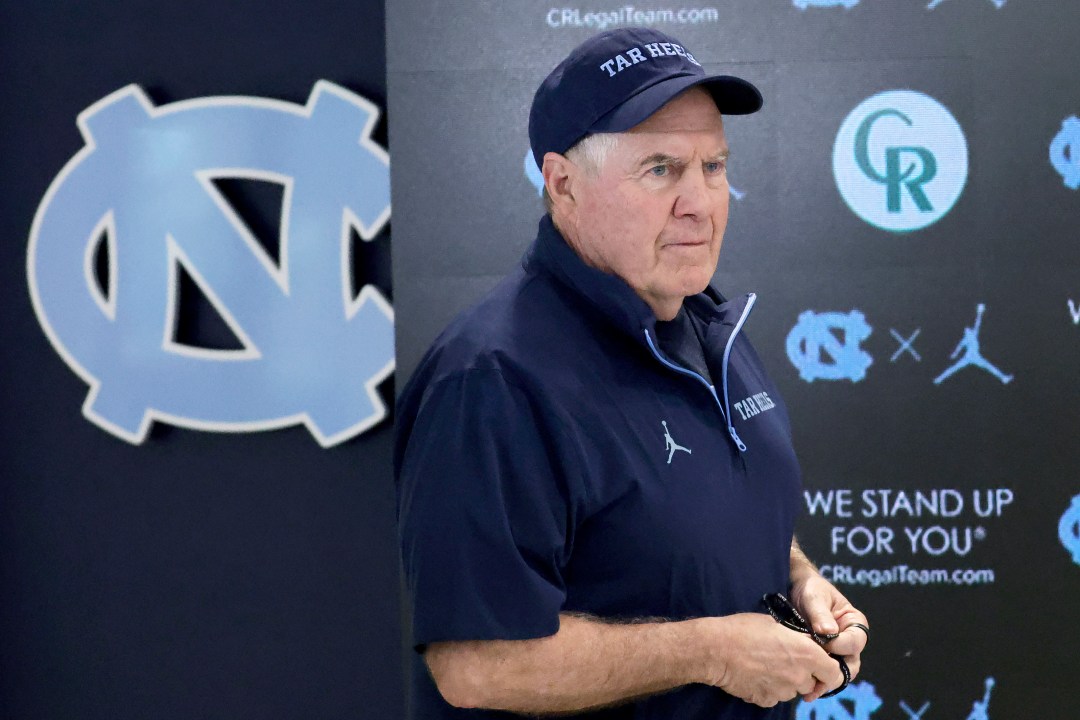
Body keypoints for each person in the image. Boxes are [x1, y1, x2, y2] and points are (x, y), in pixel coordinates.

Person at [393, 26, 869, 719]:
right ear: (563, 185)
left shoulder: (708, 327)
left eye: (714, 167)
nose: (700, 203)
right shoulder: (493, 378)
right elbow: (477, 666)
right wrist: (717, 652)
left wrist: (798, 580)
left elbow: (692, 514)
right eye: (661, 170)